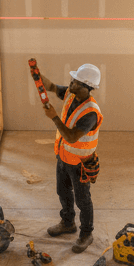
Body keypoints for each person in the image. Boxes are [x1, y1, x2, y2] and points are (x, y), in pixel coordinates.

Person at [37, 63, 104, 253]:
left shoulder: (90, 112)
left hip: (80, 163)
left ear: (86, 87)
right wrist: (38, 76)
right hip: (63, 157)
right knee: (63, 192)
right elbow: (50, 86)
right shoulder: (70, 94)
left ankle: (86, 234)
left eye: (75, 82)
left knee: (83, 200)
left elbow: (72, 137)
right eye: (73, 80)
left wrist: (54, 117)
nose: (71, 83)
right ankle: (68, 223)